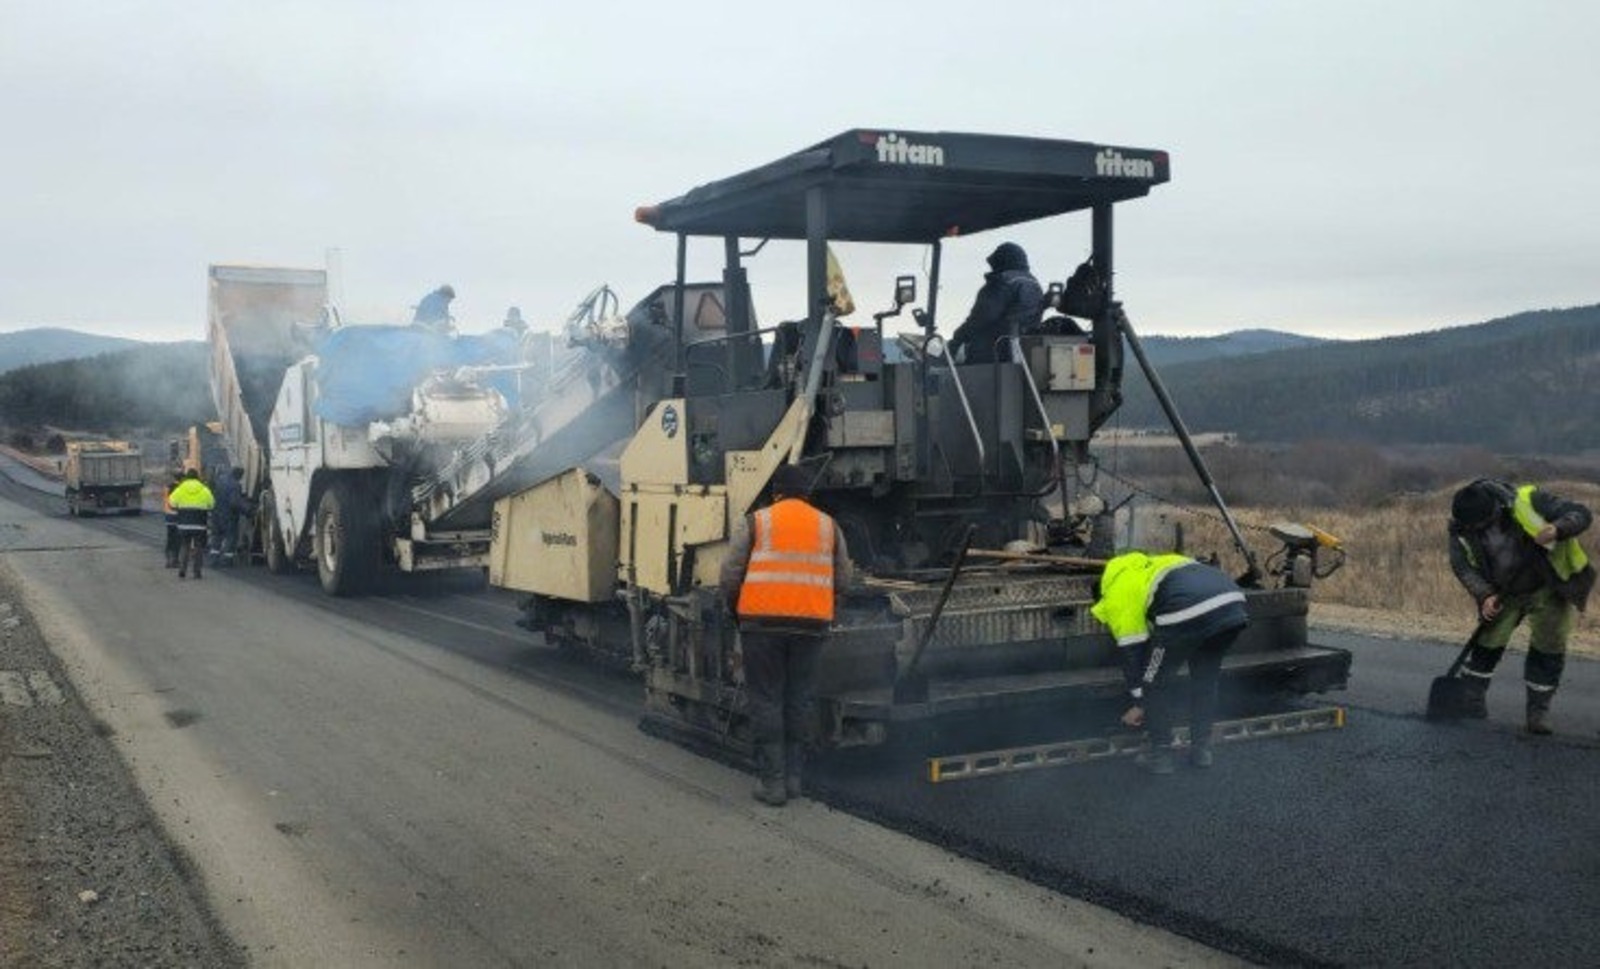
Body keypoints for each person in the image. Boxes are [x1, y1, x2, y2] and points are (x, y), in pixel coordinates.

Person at [720, 463, 855, 806]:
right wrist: (826, 608)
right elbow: (843, 579)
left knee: (766, 699)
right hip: (811, 627)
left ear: (776, 492)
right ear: (807, 493)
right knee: (800, 699)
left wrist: (736, 611)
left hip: (761, 626)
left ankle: (773, 783)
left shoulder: (757, 521)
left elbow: (730, 573)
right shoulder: (828, 526)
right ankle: (795, 780)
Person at [1447, 478, 1594, 734]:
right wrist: (1484, 595)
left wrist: (1558, 528)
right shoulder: (1461, 529)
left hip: (1547, 586)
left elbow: (1581, 514)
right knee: (1487, 642)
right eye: (1473, 528)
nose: (1479, 531)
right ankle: (1472, 701)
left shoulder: (1529, 501)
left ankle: (1537, 712)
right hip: (1504, 592)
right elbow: (1463, 567)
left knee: (1549, 647)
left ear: (1495, 510)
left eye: (1483, 525)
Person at [1091, 551, 1250, 774]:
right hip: (1232, 603)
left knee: (1154, 682)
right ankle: (1201, 750)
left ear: (1102, 595)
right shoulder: (1156, 565)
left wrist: (1139, 702)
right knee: (1205, 679)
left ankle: (1161, 756)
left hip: (1185, 610)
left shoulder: (1117, 593)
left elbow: (1132, 653)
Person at [947, 241, 1045, 365]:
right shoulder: (1034, 284)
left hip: (993, 352)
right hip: (1024, 352)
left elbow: (981, 317)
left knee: (947, 364)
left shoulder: (1002, 281)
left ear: (1001, 261)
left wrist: (958, 338)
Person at [170, 469, 215, 580]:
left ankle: (182, 569)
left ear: (187, 477)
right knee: (198, 547)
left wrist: (179, 507)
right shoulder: (204, 489)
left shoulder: (180, 488)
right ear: (197, 477)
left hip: (184, 524)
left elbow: (171, 502)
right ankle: (197, 572)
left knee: (184, 546)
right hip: (199, 524)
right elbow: (212, 504)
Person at [208, 467, 252, 567]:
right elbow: (234, 502)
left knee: (216, 536)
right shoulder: (235, 485)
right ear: (239, 475)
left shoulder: (220, 481)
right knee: (231, 538)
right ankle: (226, 560)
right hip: (229, 516)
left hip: (216, 514)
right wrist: (248, 510)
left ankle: (213, 560)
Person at [162, 472, 182, 568]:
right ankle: (175, 560)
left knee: (170, 539)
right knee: (177, 540)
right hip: (178, 517)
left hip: (168, 516)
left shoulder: (167, 487)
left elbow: (165, 500)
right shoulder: (181, 488)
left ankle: (168, 560)